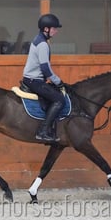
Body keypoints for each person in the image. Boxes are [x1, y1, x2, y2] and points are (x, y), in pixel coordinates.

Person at [22, 13, 66, 143]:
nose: (56, 31)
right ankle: (43, 131)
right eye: (54, 28)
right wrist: (59, 82)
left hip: (31, 79)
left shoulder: (38, 39)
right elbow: (45, 69)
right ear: (46, 29)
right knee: (59, 100)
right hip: (34, 81)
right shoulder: (42, 44)